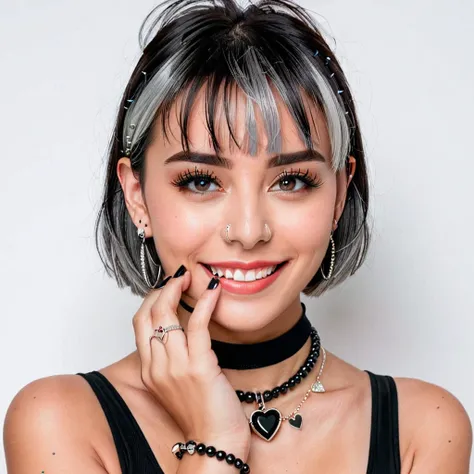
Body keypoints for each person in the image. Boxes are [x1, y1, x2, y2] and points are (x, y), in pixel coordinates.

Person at [3, 0, 472, 472]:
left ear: (338, 195)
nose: (248, 232)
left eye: (290, 181)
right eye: (201, 181)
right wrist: (214, 439)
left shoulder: (422, 427)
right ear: (137, 196)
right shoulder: (60, 421)